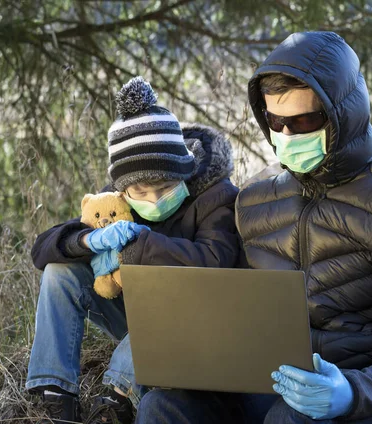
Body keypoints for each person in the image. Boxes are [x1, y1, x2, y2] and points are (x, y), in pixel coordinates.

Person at [136, 31, 372, 424]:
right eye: (275, 121)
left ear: (341, 116)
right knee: (163, 406)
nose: (286, 135)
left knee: (291, 418)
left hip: (369, 395)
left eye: (302, 120)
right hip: (270, 384)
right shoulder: (253, 200)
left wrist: (351, 392)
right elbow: (236, 312)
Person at [25, 76, 240, 424]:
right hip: (130, 316)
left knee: (164, 299)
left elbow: (215, 261)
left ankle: (117, 398)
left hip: (188, 321)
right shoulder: (116, 202)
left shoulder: (216, 197)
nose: (154, 198)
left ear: (183, 171)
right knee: (61, 271)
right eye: (141, 191)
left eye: (166, 186)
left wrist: (137, 245)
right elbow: (42, 250)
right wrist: (86, 241)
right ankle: (56, 394)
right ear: (122, 188)